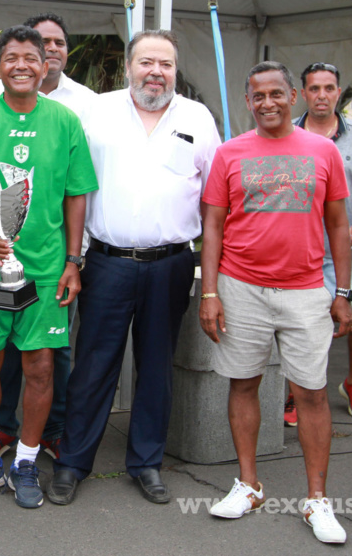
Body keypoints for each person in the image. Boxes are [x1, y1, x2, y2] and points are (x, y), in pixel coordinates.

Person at [47, 29, 221, 507]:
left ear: (175, 70)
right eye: (146, 62)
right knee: (92, 366)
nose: (156, 72)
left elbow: (214, 199)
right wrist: (73, 257)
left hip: (171, 263)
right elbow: (73, 188)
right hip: (106, 262)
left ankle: (146, 462)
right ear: (128, 66)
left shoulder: (198, 118)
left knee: (156, 367)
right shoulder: (96, 112)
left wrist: (212, 280)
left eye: (165, 63)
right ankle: (72, 462)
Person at [199, 61, 352, 544]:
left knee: (310, 392)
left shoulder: (323, 151)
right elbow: (213, 226)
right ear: (248, 101)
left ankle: (317, 500)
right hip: (240, 286)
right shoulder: (230, 153)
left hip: (306, 289)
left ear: (293, 96)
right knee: (243, 384)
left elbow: (338, 226)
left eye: (276, 94)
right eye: (258, 96)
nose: (267, 103)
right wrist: (209, 292)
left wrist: (342, 293)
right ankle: (248, 485)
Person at [0, 25, 98, 509]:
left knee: (39, 365)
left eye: (31, 57)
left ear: (46, 64)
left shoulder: (65, 122)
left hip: (46, 270)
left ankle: (27, 461)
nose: (22, 66)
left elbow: (77, 196)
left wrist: (73, 262)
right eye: (11, 58)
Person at [283, 62, 352, 423]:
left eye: (329, 88)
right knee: (302, 324)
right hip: (301, 252)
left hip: (349, 250)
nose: (322, 95)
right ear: (302, 94)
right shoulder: (287, 133)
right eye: (315, 88)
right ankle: (299, 391)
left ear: (338, 92)